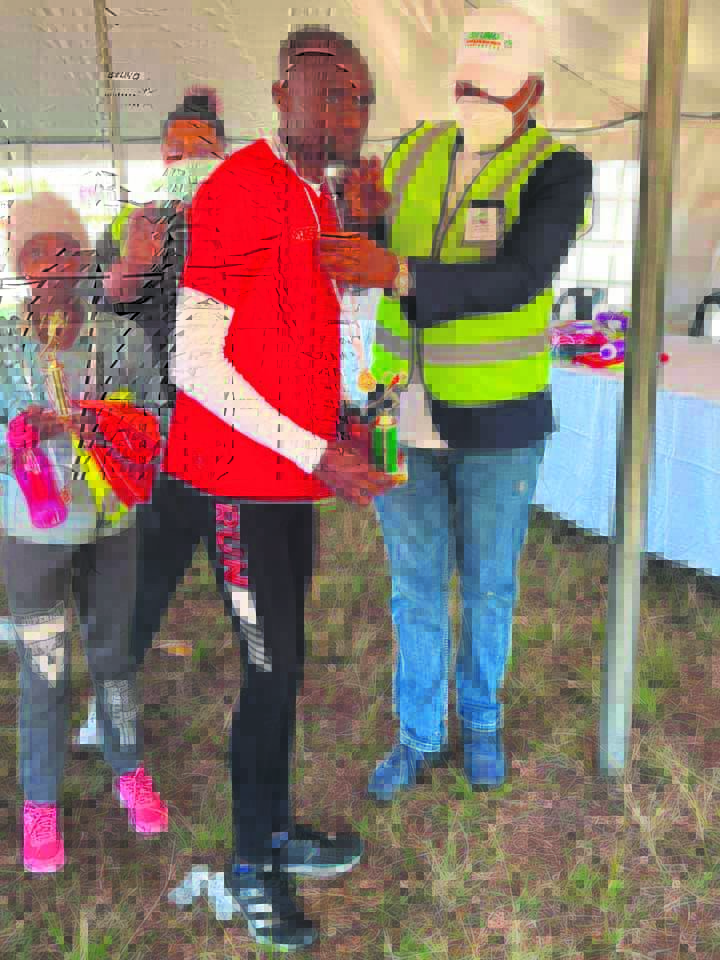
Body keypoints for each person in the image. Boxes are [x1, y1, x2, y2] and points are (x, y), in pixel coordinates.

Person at [163, 26, 401, 949]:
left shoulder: (319, 196)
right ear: (280, 95)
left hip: (291, 478)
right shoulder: (239, 188)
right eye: (331, 93)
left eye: (361, 98)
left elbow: (337, 326)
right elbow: (192, 361)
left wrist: (347, 420)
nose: (350, 114)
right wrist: (315, 451)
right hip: (238, 483)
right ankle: (250, 865)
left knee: (287, 665)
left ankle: (273, 831)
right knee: (268, 673)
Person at [336, 8, 593, 803]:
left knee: (487, 586)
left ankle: (481, 723)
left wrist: (397, 273)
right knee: (413, 584)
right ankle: (418, 733)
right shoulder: (416, 146)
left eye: (491, 91)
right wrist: (361, 217)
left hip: (498, 416)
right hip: (392, 409)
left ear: (532, 91)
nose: (473, 102)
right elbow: (371, 242)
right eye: (464, 88)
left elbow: (521, 276)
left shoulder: (559, 171)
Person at [0, 192, 169, 873]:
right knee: (43, 671)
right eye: (36, 252)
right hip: (31, 535)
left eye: (65, 250)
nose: (52, 266)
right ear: (19, 264)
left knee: (113, 658)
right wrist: (19, 438)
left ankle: (128, 769)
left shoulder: (123, 339)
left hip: (110, 526)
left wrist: (108, 425)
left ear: (84, 258)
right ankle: (40, 802)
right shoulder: (5, 346)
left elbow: (159, 421)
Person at [74, 89, 227, 748]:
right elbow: (96, 308)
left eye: (200, 149)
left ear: (223, 156)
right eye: (174, 150)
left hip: (235, 433)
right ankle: (107, 704)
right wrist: (132, 266)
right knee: (141, 580)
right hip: (158, 435)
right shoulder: (129, 222)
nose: (185, 160)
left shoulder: (253, 220)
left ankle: (268, 692)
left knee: (252, 580)